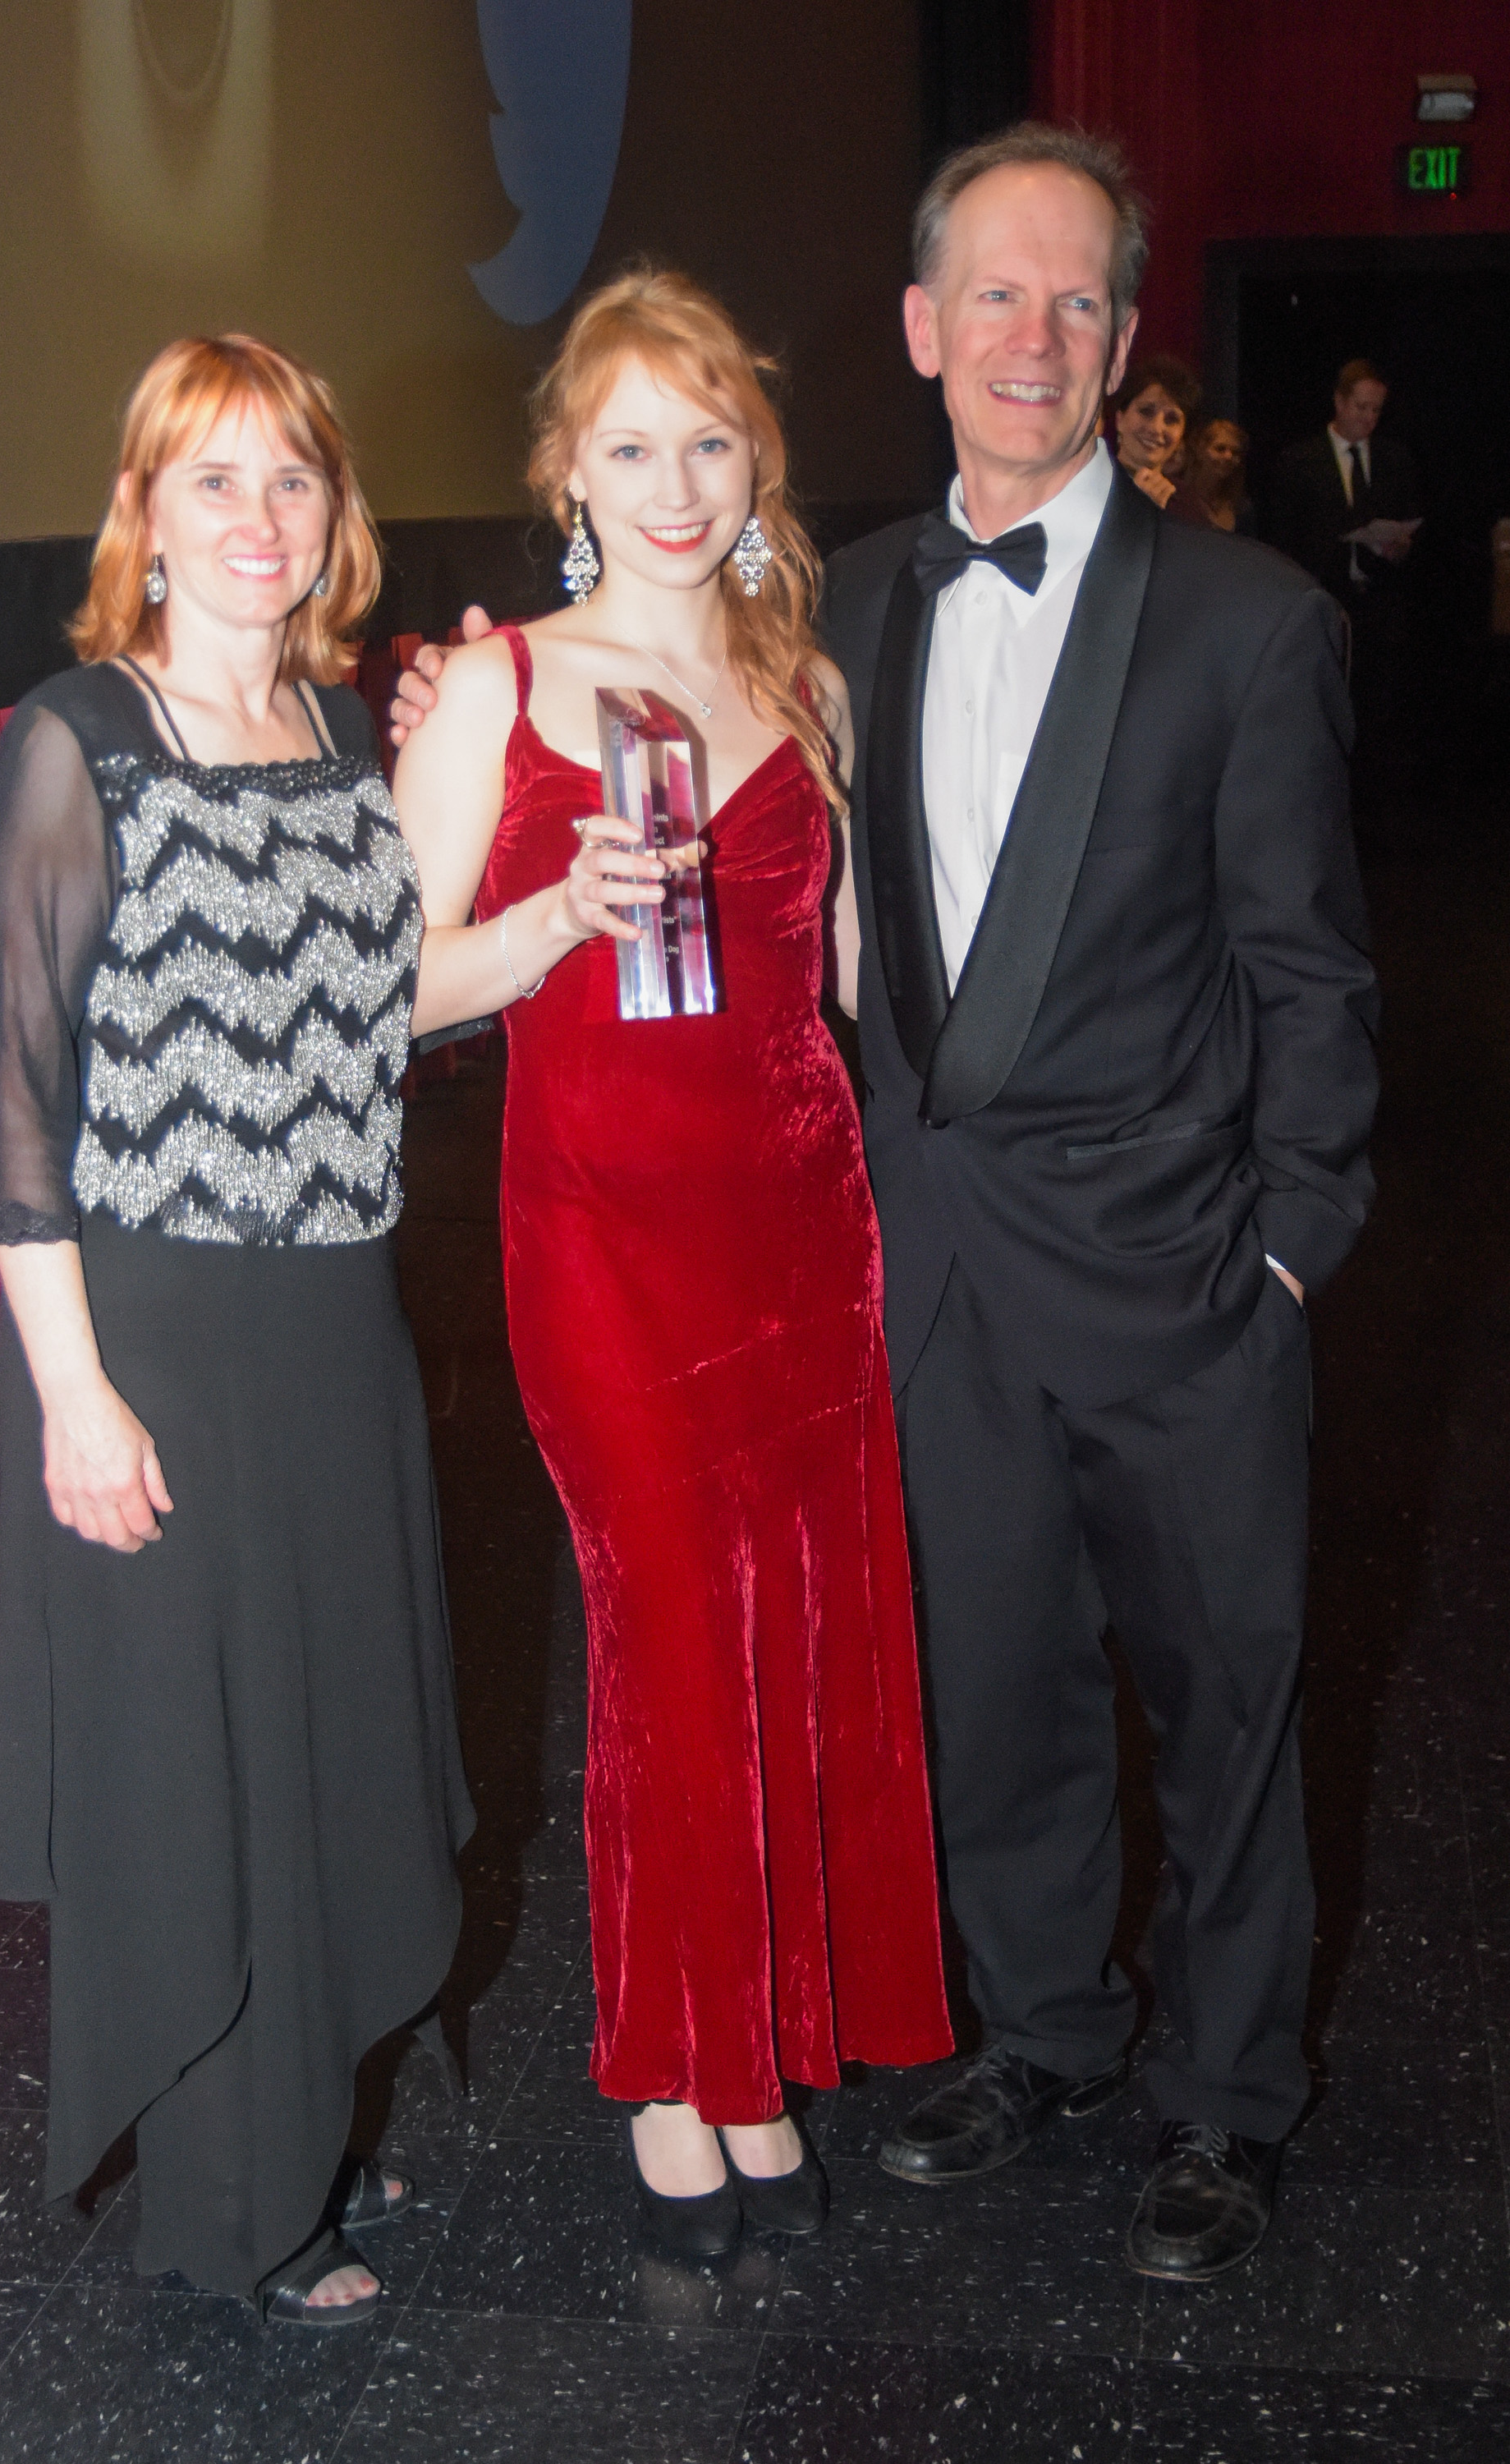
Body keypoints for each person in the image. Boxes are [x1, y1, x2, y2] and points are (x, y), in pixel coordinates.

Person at [813, 125, 1377, 2281]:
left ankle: (1226, 2096)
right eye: (995, 293)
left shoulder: (1252, 624)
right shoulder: (845, 598)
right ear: (922, 329)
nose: (1031, 336)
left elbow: (1314, 971)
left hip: (1186, 1278)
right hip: (939, 1266)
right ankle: (1045, 2025)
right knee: (997, 1680)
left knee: (1231, 1704)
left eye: (1076, 300)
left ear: (1123, 336)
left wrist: (1293, 1242)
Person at [389, 269, 952, 2260]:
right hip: (602, 1236)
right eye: (630, 445)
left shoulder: (802, 678)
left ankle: (761, 2037)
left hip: (803, 1226)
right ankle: (664, 2055)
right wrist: (552, 917)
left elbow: (860, 981)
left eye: (709, 440)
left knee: (795, 1627)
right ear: (566, 469)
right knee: (659, 1632)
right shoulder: (496, 688)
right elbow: (387, 982)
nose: (675, 481)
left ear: (756, 458)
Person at [0, 335, 475, 2326]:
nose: (257, 521)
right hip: (153, 1328)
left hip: (333, 1320)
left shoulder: (344, 736)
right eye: (211, 484)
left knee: (334, 1726)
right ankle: (232, 2200)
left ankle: (309, 2113)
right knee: (207, 1763)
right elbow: (10, 1104)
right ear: (144, 519)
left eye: (291, 482)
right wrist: (72, 1397)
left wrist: (573, 911)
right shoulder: (79, 734)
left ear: (334, 517)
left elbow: (388, 1006)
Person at [1269, 361, 1421, 824]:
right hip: (1321, 601)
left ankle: (1371, 816)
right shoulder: (1300, 461)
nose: (1368, 419)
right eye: (1360, 407)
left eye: (1377, 411)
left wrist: (1397, 546)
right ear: (1338, 402)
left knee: (1376, 713)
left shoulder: (1395, 460)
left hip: (1377, 605)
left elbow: (1410, 527)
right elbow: (1283, 538)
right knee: (1319, 711)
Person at [1109, 352, 1217, 526]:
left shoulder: (1189, 506)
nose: (1156, 428)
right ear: (1120, 418)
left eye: (1172, 419)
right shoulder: (1088, 486)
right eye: (1146, 411)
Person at [1185, 418, 1255, 534]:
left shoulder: (1241, 508)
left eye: (1235, 452)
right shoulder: (1176, 496)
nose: (1228, 457)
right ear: (1200, 450)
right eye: (1220, 449)